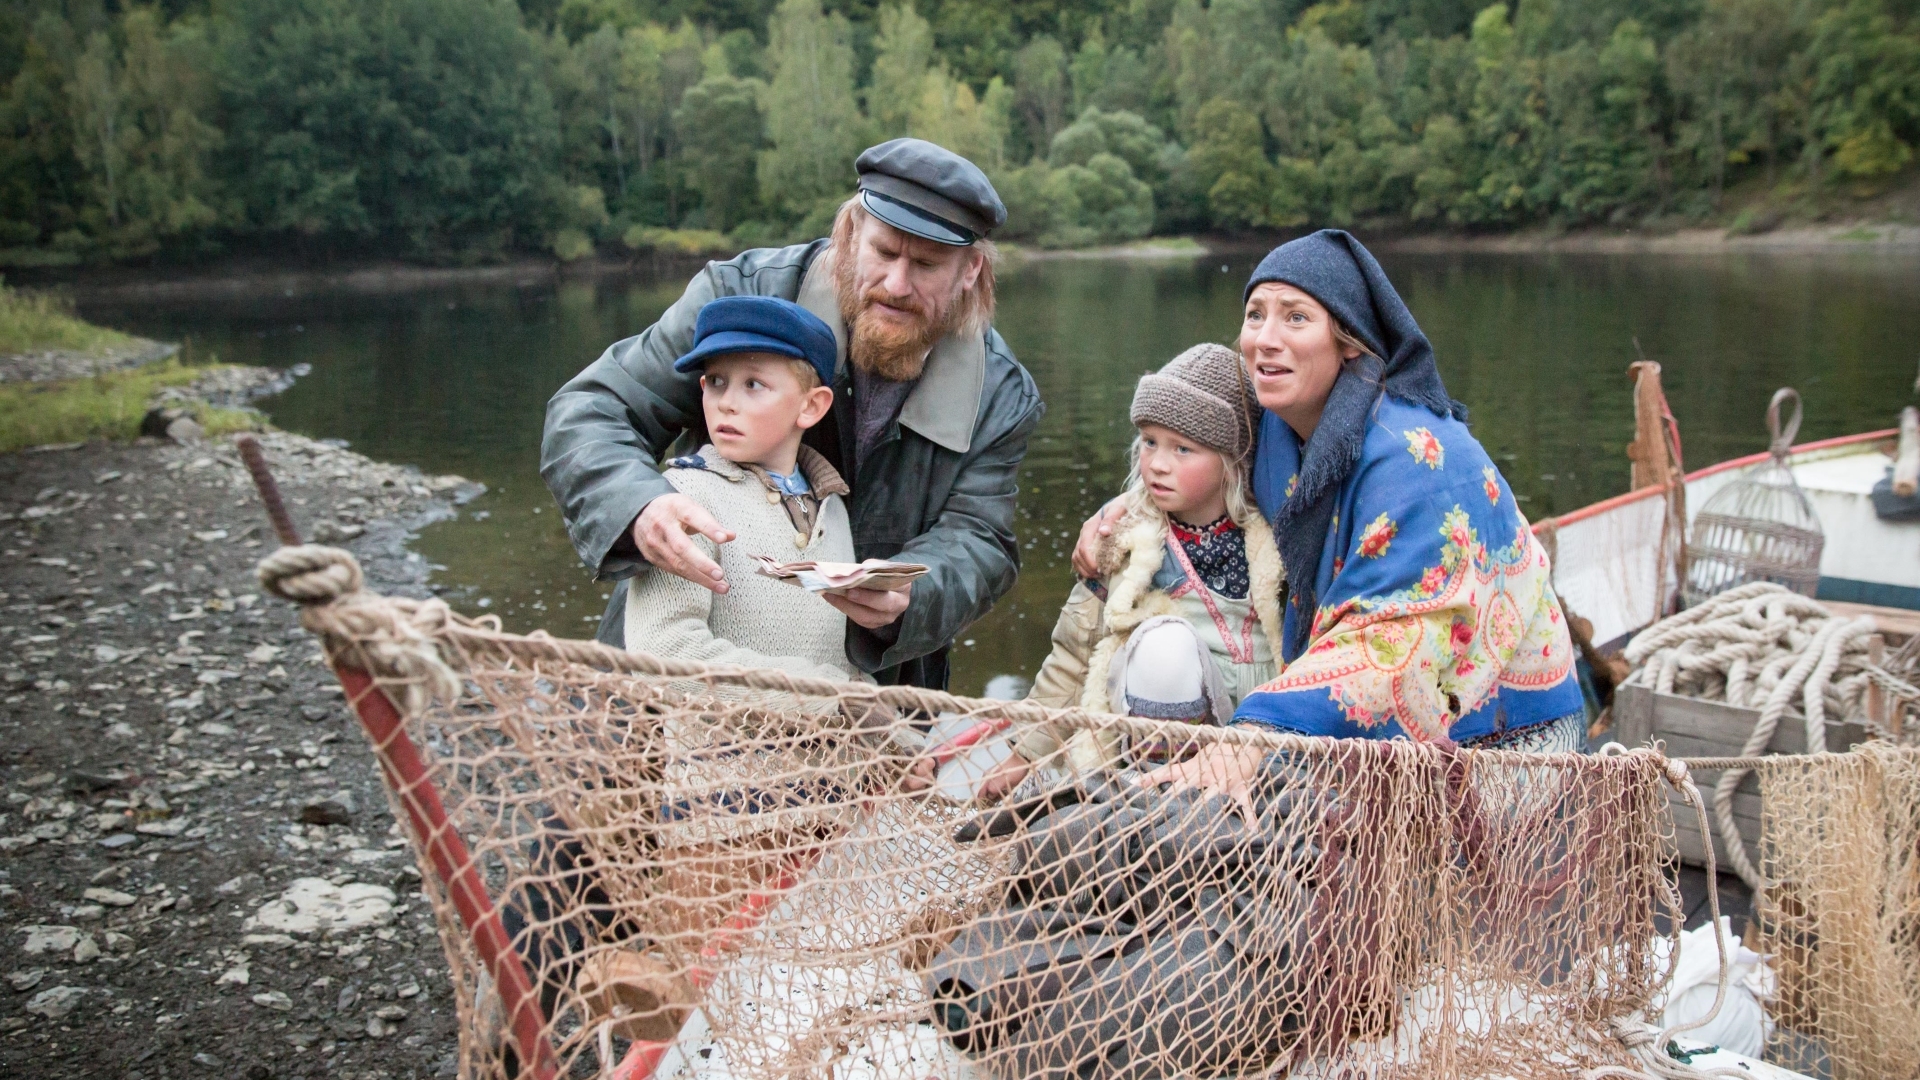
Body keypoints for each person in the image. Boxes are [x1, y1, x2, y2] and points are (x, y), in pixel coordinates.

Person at [1071, 230, 1584, 802]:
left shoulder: (1419, 461)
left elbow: (1393, 648)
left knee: (1270, 818)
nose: (1265, 340)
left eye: (1295, 318)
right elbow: (1200, 457)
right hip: (1365, 716)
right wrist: (1126, 510)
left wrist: (1260, 733)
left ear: (1350, 342)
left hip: (1502, 742)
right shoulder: (1281, 422)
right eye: (1255, 315)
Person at [543, 138, 1043, 692]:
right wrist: (638, 506)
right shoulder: (739, 296)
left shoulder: (1001, 393)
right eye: (883, 253)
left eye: (926, 264)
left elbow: (979, 538)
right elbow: (593, 409)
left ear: (970, 269)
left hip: (858, 706)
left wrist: (912, 596)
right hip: (668, 690)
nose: (898, 285)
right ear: (850, 235)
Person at [975, 344, 1283, 800]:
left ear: (1232, 460)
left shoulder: (1278, 541)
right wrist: (1023, 754)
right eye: (1150, 441)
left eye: (1183, 449)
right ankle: (1159, 800)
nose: (1157, 463)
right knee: (1164, 645)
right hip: (1155, 745)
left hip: (1260, 744)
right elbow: (1073, 656)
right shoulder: (1124, 542)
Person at [622, 294, 863, 691]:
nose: (727, 403)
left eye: (753, 384)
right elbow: (661, 654)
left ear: (811, 407)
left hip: (829, 732)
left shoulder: (832, 503)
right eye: (716, 382)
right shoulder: (685, 499)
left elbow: (841, 663)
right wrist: (827, 696)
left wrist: (870, 704)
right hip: (719, 736)